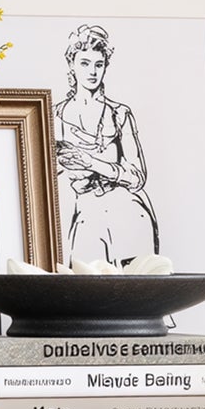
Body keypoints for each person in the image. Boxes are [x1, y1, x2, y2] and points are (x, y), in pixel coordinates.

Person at [55, 22, 160, 265]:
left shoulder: (120, 114)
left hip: (126, 211)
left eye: (98, 64)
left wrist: (91, 163)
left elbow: (137, 177)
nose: (92, 71)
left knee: (135, 285)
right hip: (81, 213)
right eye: (84, 63)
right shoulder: (53, 116)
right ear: (71, 64)